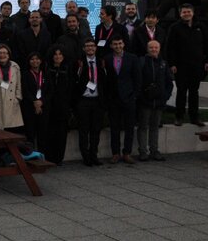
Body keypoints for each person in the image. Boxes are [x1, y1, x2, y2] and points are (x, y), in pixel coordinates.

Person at [166, 4, 208, 127]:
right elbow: (170, 48)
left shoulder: (201, 26)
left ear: (193, 12)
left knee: (194, 92)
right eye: (184, 12)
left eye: (188, 12)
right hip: (180, 66)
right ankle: (179, 117)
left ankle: (194, 117)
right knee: (181, 91)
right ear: (180, 14)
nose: (186, 14)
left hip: (197, 66)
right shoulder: (175, 27)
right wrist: (172, 64)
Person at [102, 36, 141, 164]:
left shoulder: (132, 58)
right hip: (113, 98)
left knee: (129, 127)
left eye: (120, 43)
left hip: (129, 98)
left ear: (123, 44)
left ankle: (127, 153)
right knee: (115, 128)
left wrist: (134, 95)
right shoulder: (107, 59)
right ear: (111, 46)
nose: (118, 46)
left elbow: (137, 78)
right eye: (115, 44)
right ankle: (115, 153)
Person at [137, 40, 173, 161]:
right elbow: (138, 81)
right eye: (151, 47)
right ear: (147, 49)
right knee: (143, 126)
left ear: (159, 49)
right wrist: (141, 96)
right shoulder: (141, 62)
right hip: (145, 101)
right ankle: (142, 151)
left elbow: (169, 82)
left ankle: (154, 150)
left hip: (159, 102)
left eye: (156, 47)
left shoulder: (163, 63)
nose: (153, 49)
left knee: (155, 126)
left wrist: (165, 96)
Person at [74, 39, 104, 166]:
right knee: (84, 130)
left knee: (96, 130)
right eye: (87, 46)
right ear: (84, 49)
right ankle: (85, 156)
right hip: (83, 101)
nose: (90, 48)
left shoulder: (102, 62)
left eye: (92, 46)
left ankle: (94, 155)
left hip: (98, 101)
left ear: (96, 48)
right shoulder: (79, 63)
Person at [43, 46, 75, 166]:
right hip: (50, 106)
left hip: (63, 106)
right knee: (49, 132)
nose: (57, 57)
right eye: (55, 55)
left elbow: (71, 88)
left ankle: (58, 158)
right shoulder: (47, 69)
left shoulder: (67, 69)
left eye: (60, 54)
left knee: (61, 133)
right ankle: (49, 156)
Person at [0, 44, 23, 133]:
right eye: (0, 53)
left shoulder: (15, 67)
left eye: (5, 53)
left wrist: (17, 98)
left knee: (11, 133)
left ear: (9, 55)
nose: (2, 55)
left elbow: (18, 85)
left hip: (12, 104)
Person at [20, 52, 47, 150]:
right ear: (29, 61)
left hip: (43, 107)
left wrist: (41, 102)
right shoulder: (25, 74)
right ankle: (31, 157)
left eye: (37, 59)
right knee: (30, 134)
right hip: (29, 107)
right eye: (32, 59)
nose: (35, 61)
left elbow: (49, 90)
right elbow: (25, 90)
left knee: (42, 134)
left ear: (41, 61)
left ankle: (42, 158)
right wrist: (35, 102)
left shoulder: (45, 73)